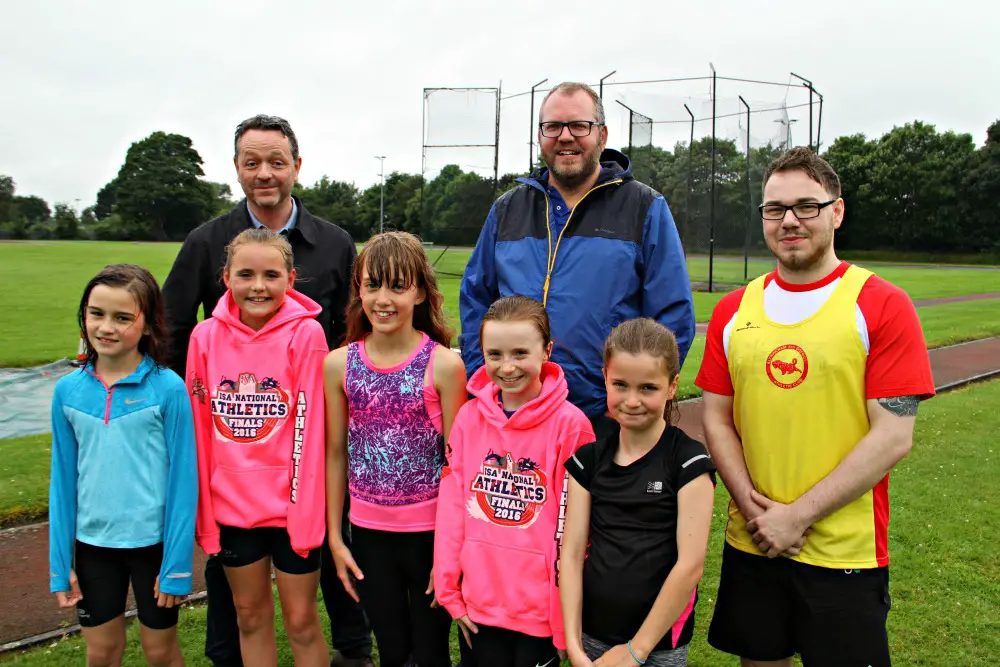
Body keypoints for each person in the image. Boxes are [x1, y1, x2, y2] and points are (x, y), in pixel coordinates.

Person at [695, 147, 936, 667]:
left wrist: (797, 517)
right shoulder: (732, 311)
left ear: (837, 211)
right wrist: (759, 513)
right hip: (752, 543)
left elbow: (893, 435)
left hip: (844, 553)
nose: (789, 221)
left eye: (807, 206)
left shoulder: (881, 304)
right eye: (774, 209)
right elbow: (715, 419)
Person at [162, 114, 372, 667]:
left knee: (324, 586)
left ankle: (357, 652)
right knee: (243, 609)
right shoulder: (206, 242)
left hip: (311, 450)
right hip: (236, 468)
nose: (265, 173)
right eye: (252, 162)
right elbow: (175, 331)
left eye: (276, 162)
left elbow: (360, 329)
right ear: (236, 168)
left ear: (296, 167)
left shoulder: (335, 244)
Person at [459, 81, 696, 440]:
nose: (565, 136)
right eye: (553, 126)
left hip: (606, 421)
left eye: (578, 126)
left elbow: (673, 319)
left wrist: (630, 398)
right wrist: (487, 382)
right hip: (516, 415)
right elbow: (476, 300)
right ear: (540, 136)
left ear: (601, 134)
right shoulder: (508, 209)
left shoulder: (644, 207)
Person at [186, 229, 330, 666]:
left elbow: (312, 428)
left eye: (271, 275)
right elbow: (200, 431)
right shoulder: (205, 338)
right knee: (249, 617)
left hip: (292, 513)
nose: (258, 286)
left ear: (291, 278)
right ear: (226, 277)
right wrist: (206, 516)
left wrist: (305, 517)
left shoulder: (306, 335)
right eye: (245, 274)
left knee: (302, 620)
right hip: (234, 512)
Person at [324, 231, 468, 667]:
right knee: (390, 651)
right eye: (372, 285)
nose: (383, 299)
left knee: (429, 653)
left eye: (397, 286)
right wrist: (335, 536)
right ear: (359, 290)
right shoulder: (338, 364)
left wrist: (452, 548)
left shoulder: (444, 364)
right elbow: (335, 453)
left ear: (420, 291)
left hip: (431, 537)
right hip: (368, 535)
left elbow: (457, 466)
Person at [49, 264, 197, 667]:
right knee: (101, 652)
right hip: (94, 547)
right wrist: (59, 564)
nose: (106, 327)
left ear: (148, 324)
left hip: (153, 547)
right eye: (96, 314)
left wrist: (177, 566)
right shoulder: (67, 391)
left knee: (160, 652)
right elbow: (62, 482)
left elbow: (185, 481)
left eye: (122, 317)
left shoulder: (168, 388)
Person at [434, 295, 594, 666]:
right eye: (495, 355)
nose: (507, 367)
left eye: (520, 353)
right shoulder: (469, 419)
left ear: (547, 350)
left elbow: (576, 534)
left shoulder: (571, 427)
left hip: (540, 616)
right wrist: (449, 591)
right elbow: (454, 507)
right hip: (480, 607)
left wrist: (562, 622)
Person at [561, 318, 715, 667]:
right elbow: (570, 554)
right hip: (592, 638)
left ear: (672, 386)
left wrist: (637, 650)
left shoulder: (688, 462)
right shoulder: (588, 459)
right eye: (620, 385)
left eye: (648, 388)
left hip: (657, 646)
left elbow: (690, 565)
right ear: (605, 378)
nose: (632, 400)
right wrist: (573, 643)